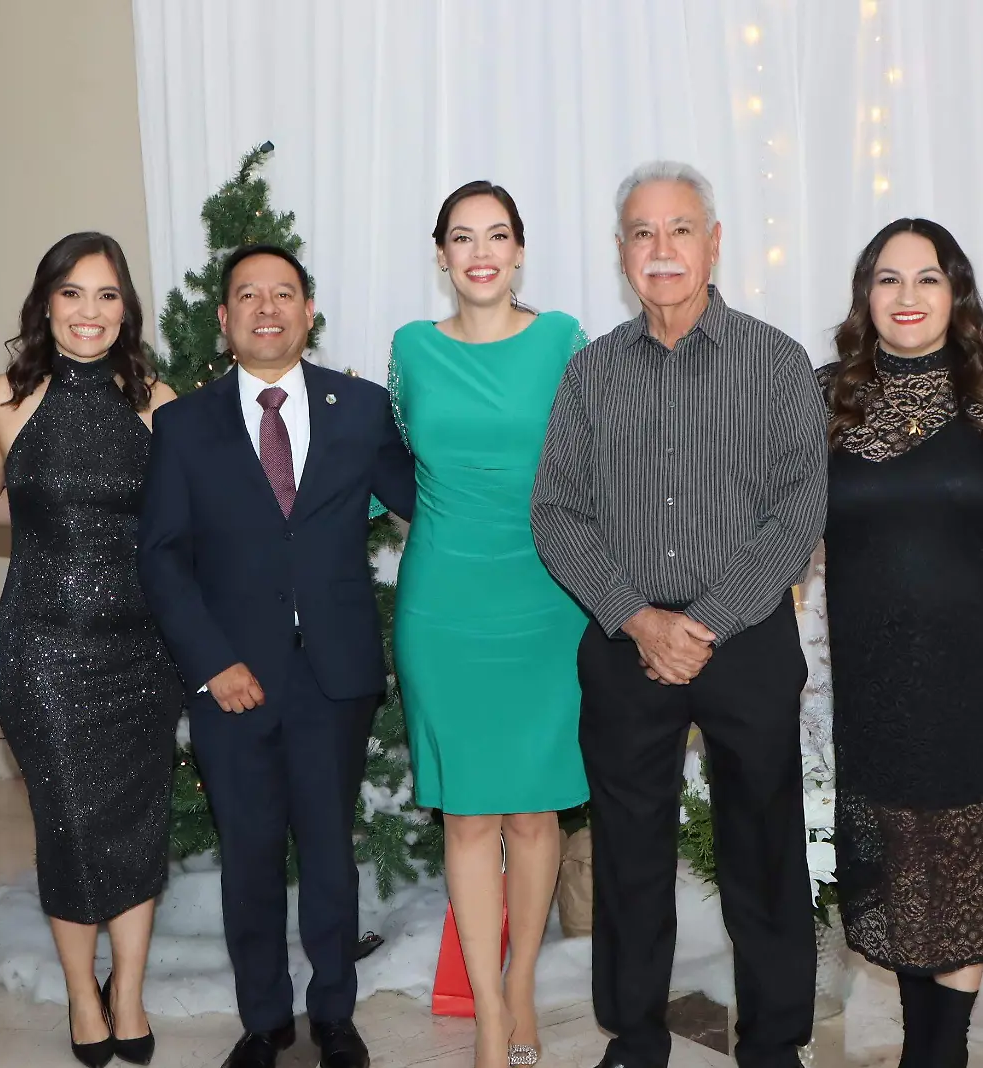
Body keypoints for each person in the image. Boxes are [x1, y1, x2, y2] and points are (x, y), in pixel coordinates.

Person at [530, 161, 830, 1068]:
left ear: (714, 242)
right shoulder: (590, 375)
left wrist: (704, 622)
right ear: (621, 253)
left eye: (680, 229)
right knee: (627, 851)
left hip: (745, 642)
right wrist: (639, 619)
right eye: (642, 233)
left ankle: (774, 1039)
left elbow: (800, 508)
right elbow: (556, 511)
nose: (662, 250)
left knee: (765, 846)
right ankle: (635, 1032)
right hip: (628, 646)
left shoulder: (776, 360)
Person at [137, 244, 416, 1068]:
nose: (267, 307)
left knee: (329, 849)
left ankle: (334, 1011)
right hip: (231, 678)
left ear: (308, 312)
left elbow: (429, 500)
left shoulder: (360, 408)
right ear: (224, 320)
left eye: (284, 293)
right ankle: (264, 1019)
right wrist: (211, 662)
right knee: (249, 853)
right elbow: (162, 555)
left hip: (334, 674)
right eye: (248, 295)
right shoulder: (185, 424)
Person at [818, 219, 983, 1068]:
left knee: (961, 863)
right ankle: (927, 1048)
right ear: (864, 295)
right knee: (906, 863)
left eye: (927, 279)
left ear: (957, 293)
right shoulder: (824, 399)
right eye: (888, 279)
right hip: (877, 678)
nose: (907, 297)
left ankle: (937, 1054)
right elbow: (764, 518)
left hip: (982, 674)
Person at [390, 181, 591, 1068]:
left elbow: (592, 462)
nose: (479, 251)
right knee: (468, 815)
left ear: (518, 252)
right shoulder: (411, 350)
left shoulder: (562, 339)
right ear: (440, 255)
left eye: (496, 235)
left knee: (534, 811)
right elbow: (394, 457)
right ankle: (486, 1014)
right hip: (444, 604)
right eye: (461, 237)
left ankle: (519, 988)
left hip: (547, 598)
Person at [0, 232, 183, 1068]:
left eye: (106, 295)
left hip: (143, 653)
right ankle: (79, 995)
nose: (89, 312)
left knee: (136, 825)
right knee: (68, 827)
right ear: (46, 303)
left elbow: (187, 525)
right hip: (42, 652)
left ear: (126, 308)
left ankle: (125, 994)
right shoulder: (1, 399)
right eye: (72, 294)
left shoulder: (156, 400)